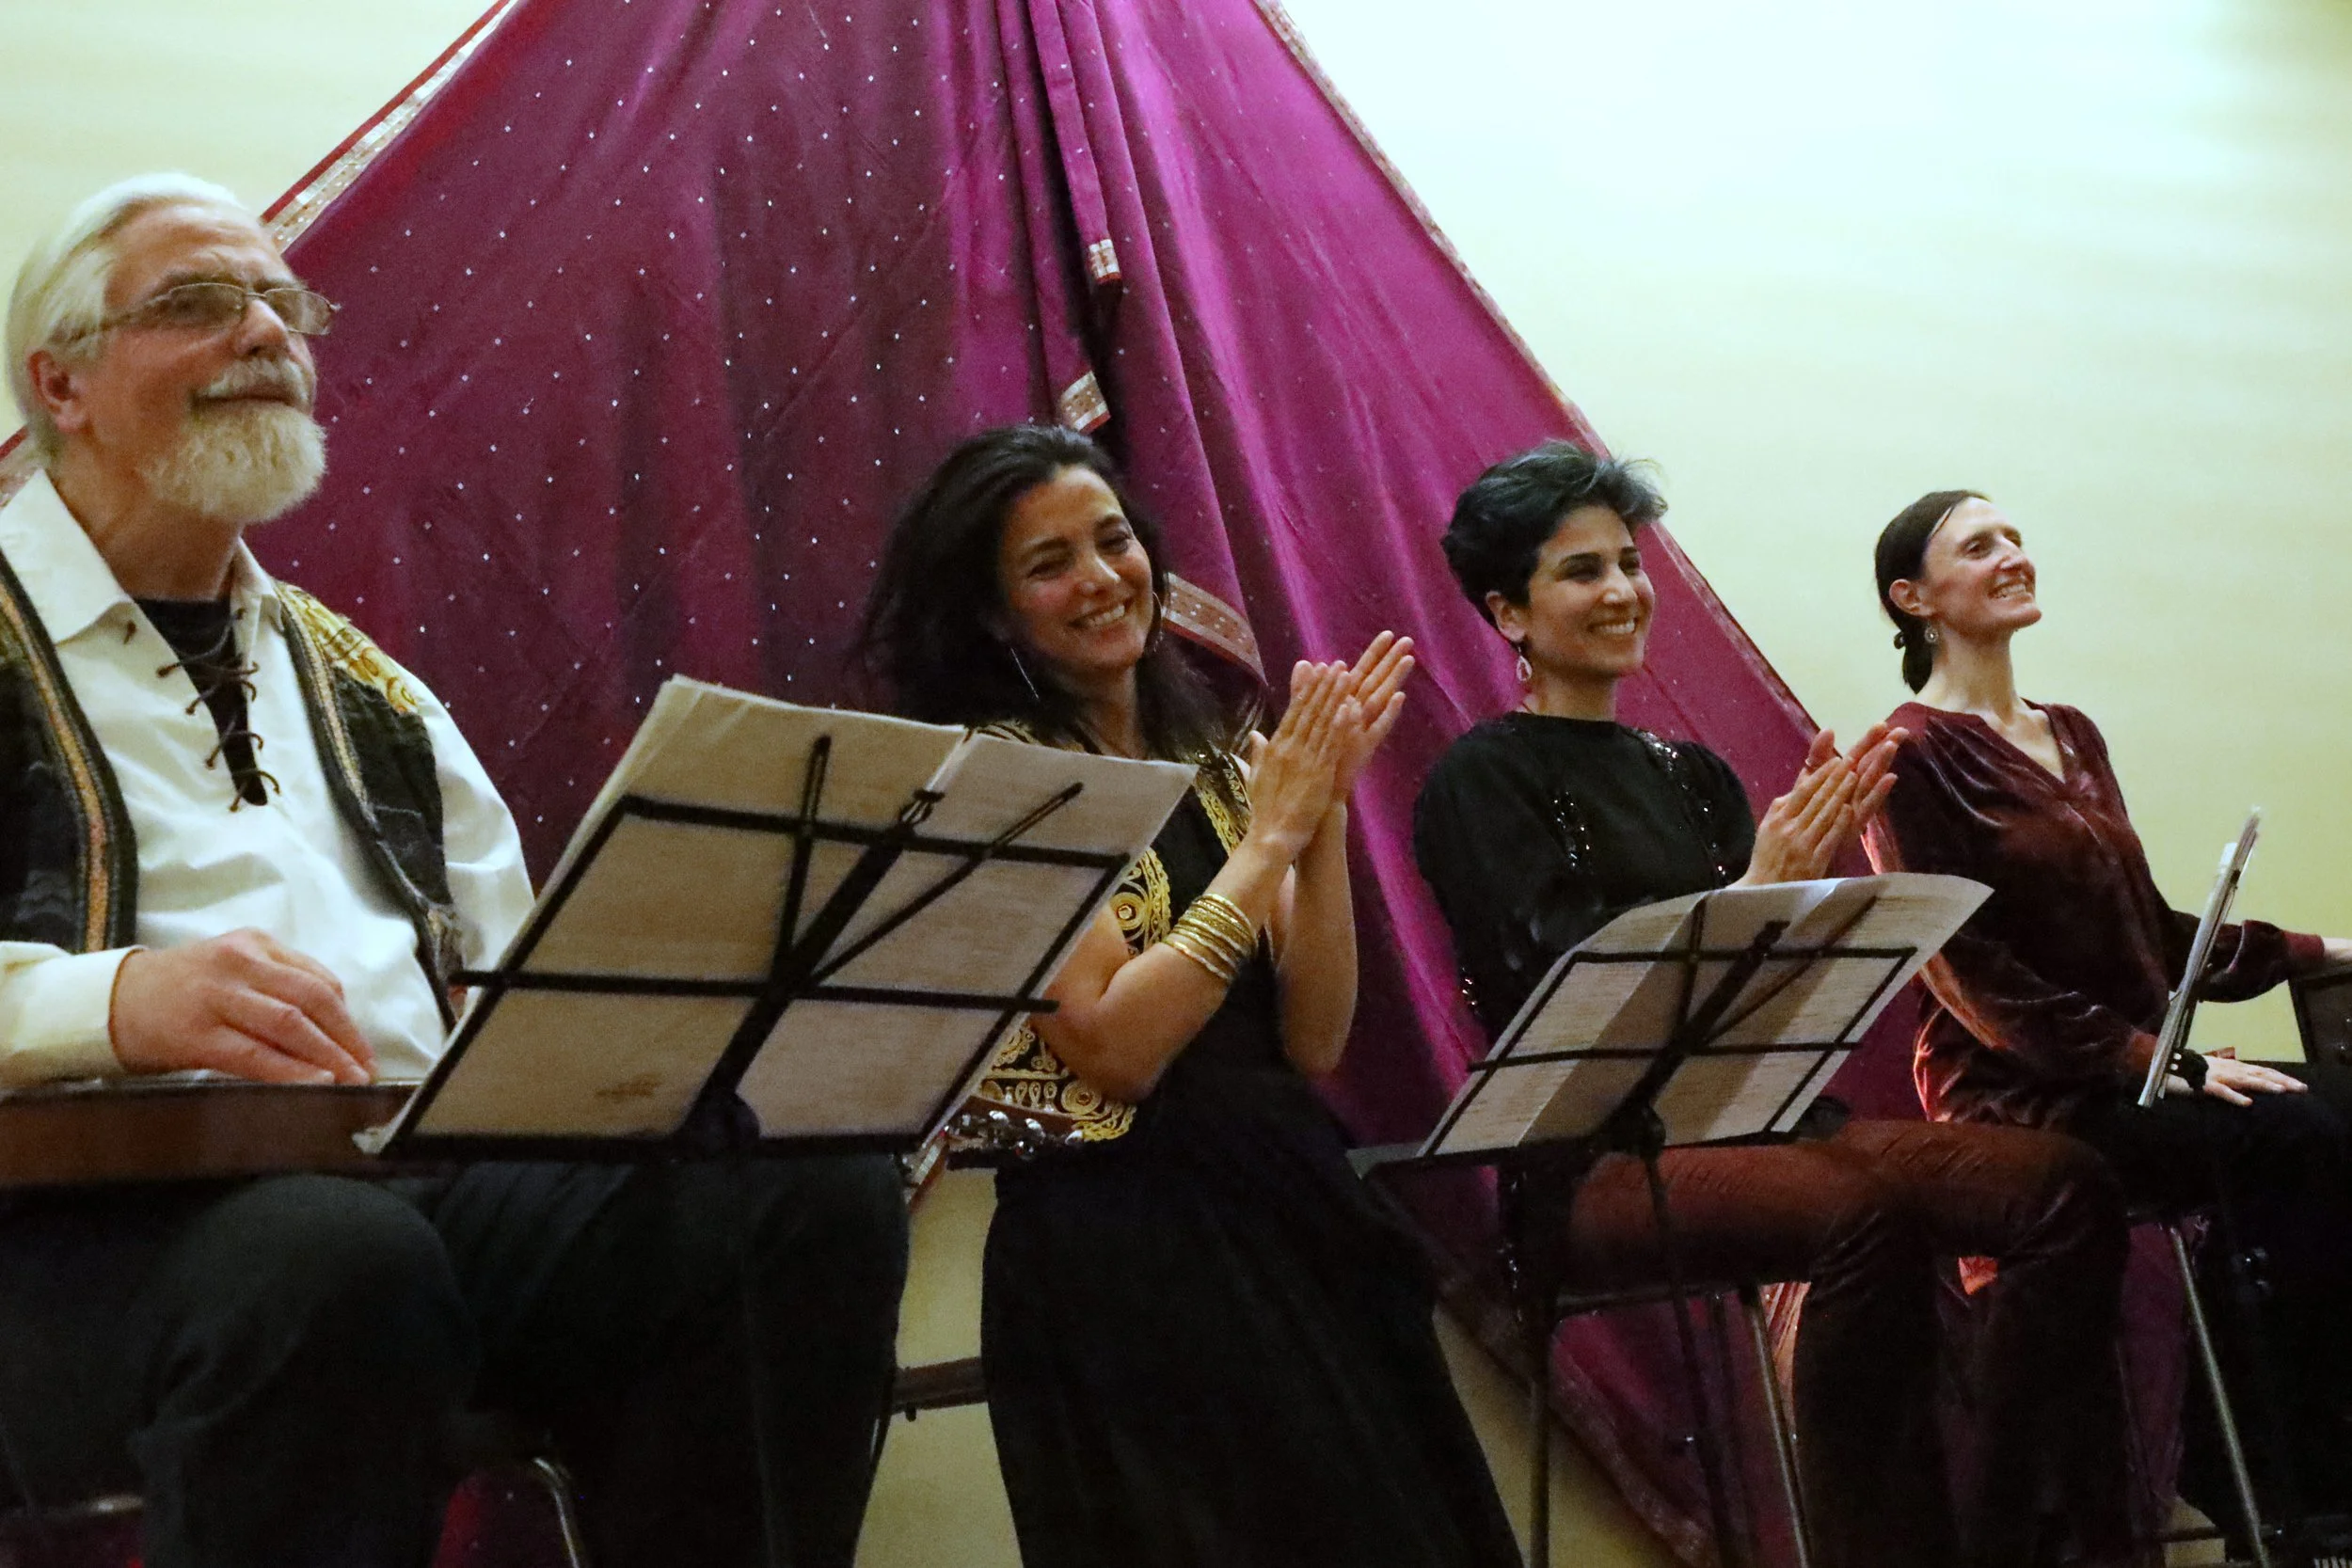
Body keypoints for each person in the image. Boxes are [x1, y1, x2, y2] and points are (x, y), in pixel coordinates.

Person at [0, 173, 909, 1568]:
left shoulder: (367, 684)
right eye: (199, 302)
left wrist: (735, 1068)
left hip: (403, 1203)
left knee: (796, 1195)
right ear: (59, 383)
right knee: (337, 1265)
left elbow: (515, 986)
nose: (264, 332)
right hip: (70, 1230)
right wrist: (116, 1004)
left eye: (284, 305)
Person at [1414, 441, 2134, 1568]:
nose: (1622, 591)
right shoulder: (1478, 780)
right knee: (1862, 1216)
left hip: (1762, 1127)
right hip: (1588, 1165)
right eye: (1581, 572)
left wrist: (1806, 915)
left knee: (2060, 1184)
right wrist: (1754, 895)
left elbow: (1778, 998)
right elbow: (1568, 998)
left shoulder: (1689, 772)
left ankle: (2016, 1536)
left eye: (1628, 561)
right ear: (1507, 611)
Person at [861, 423, 1519, 1568]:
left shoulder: (1212, 746)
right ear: (989, 612)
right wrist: (1269, 842)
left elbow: (1310, 1039)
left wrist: (1319, 826)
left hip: (1287, 1198)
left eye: (1114, 539)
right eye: (1048, 562)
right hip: (1128, 1250)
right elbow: (1115, 1049)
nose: (1102, 578)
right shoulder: (993, 777)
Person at [1864, 487, 2352, 1516]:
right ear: (1911, 597)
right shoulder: (1910, 754)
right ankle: (2270, 1470)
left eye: (2016, 537)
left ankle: (2295, 1444)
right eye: (1978, 545)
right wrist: (2159, 1062)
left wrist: (2321, 950)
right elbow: (1976, 979)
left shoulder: (2072, 732)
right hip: (2028, 1096)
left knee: (2340, 1102)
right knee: (2296, 1130)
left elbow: (2151, 930)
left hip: (2135, 1071)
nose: (2012, 555)